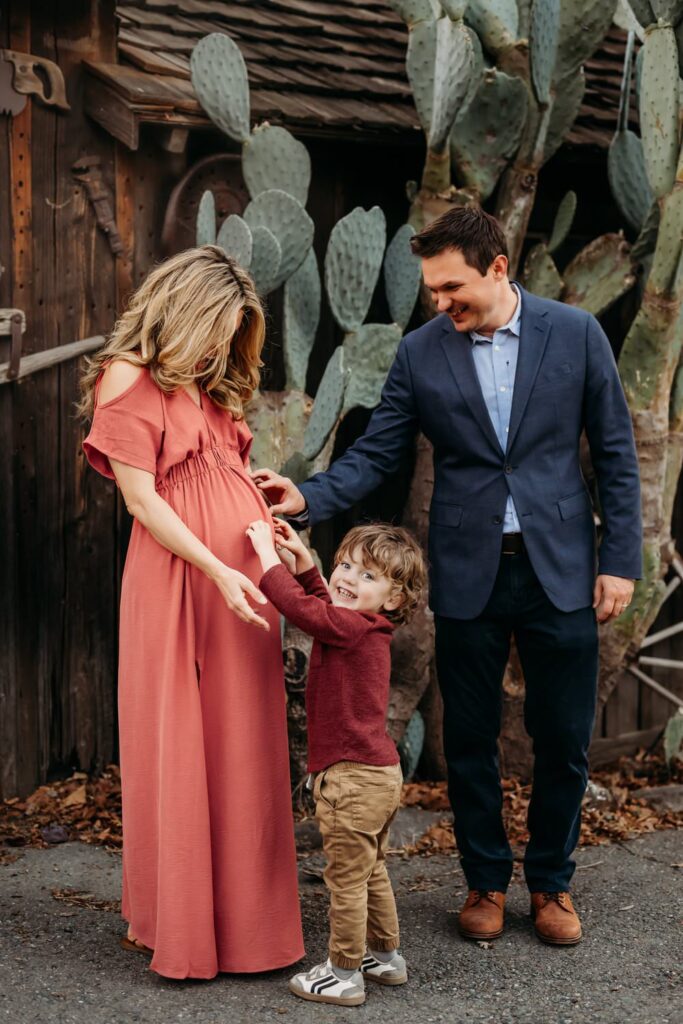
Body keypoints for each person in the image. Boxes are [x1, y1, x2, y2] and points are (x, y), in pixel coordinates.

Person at [250, 206, 642, 947]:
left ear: (498, 268)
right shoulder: (422, 352)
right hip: (467, 574)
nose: (438, 303)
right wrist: (308, 496)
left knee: (560, 737)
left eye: (450, 287)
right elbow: (377, 452)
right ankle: (485, 883)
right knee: (467, 738)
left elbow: (616, 454)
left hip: (562, 567)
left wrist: (619, 560)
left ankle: (551, 885)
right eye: (431, 290)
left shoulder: (575, 333)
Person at [79, 246, 304, 979]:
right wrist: (215, 570)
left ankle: (250, 929)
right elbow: (143, 502)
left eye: (231, 335)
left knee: (246, 748)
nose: (219, 348)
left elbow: (222, 478)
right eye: (215, 330)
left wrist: (267, 518)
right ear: (183, 311)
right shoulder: (129, 377)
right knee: (184, 743)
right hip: (184, 586)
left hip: (246, 587)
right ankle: (185, 928)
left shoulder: (209, 388)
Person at [246, 518, 427, 1006]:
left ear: (393, 598)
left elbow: (310, 614)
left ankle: (344, 972)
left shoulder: (354, 627)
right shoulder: (363, 625)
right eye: (346, 564)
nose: (348, 577)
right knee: (370, 870)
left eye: (367, 576)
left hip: (352, 778)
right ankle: (386, 957)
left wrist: (267, 559)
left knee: (346, 880)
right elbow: (327, 605)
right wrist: (307, 566)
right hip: (378, 775)